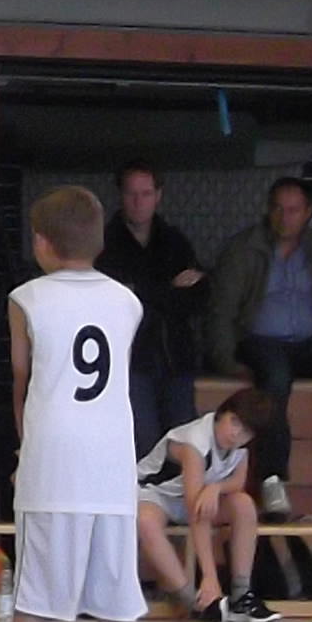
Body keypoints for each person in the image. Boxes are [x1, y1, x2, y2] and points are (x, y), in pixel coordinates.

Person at [0, 182, 159, 622]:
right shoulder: (127, 301)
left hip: (56, 460)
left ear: (41, 242)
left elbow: (23, 379)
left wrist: (24, 449)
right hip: (112, 461)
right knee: (115, 587)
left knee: (35, 593)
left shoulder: (26, 298)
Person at [200, 174, 312, 514]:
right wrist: (225, 362)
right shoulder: (243, 249)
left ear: (308, 212)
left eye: (293, 210)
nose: (285, 217)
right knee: (275, 378)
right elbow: (221, 311)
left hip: (309, 342)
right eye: (278, 209)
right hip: (260, 341)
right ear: (268, 210)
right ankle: (272, 479)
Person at [135, 386, 273, 622]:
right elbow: (195, 510)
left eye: (246, 432)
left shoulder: (240, 448)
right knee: (145, 521)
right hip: (156, 495)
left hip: (196, 496)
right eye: (234, 422)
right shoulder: (195, 442)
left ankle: (242, 595)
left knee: (244, 505)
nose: (236, 434)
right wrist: (210, 577)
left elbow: (238, 482)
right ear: (222, 413)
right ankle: (193, 601)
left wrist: (216, 488)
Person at [97, 163, 207, 450]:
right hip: (130, 359)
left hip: (176, 357)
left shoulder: (175, 241)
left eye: (145, 193)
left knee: (183, 440)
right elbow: (113, 301)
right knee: (143, 441)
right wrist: (169, 290)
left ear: (158, 195)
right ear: (120, 195)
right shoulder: (104, 245)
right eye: (131, 193)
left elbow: (197, 299)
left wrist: (142, 292)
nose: (138, 201)